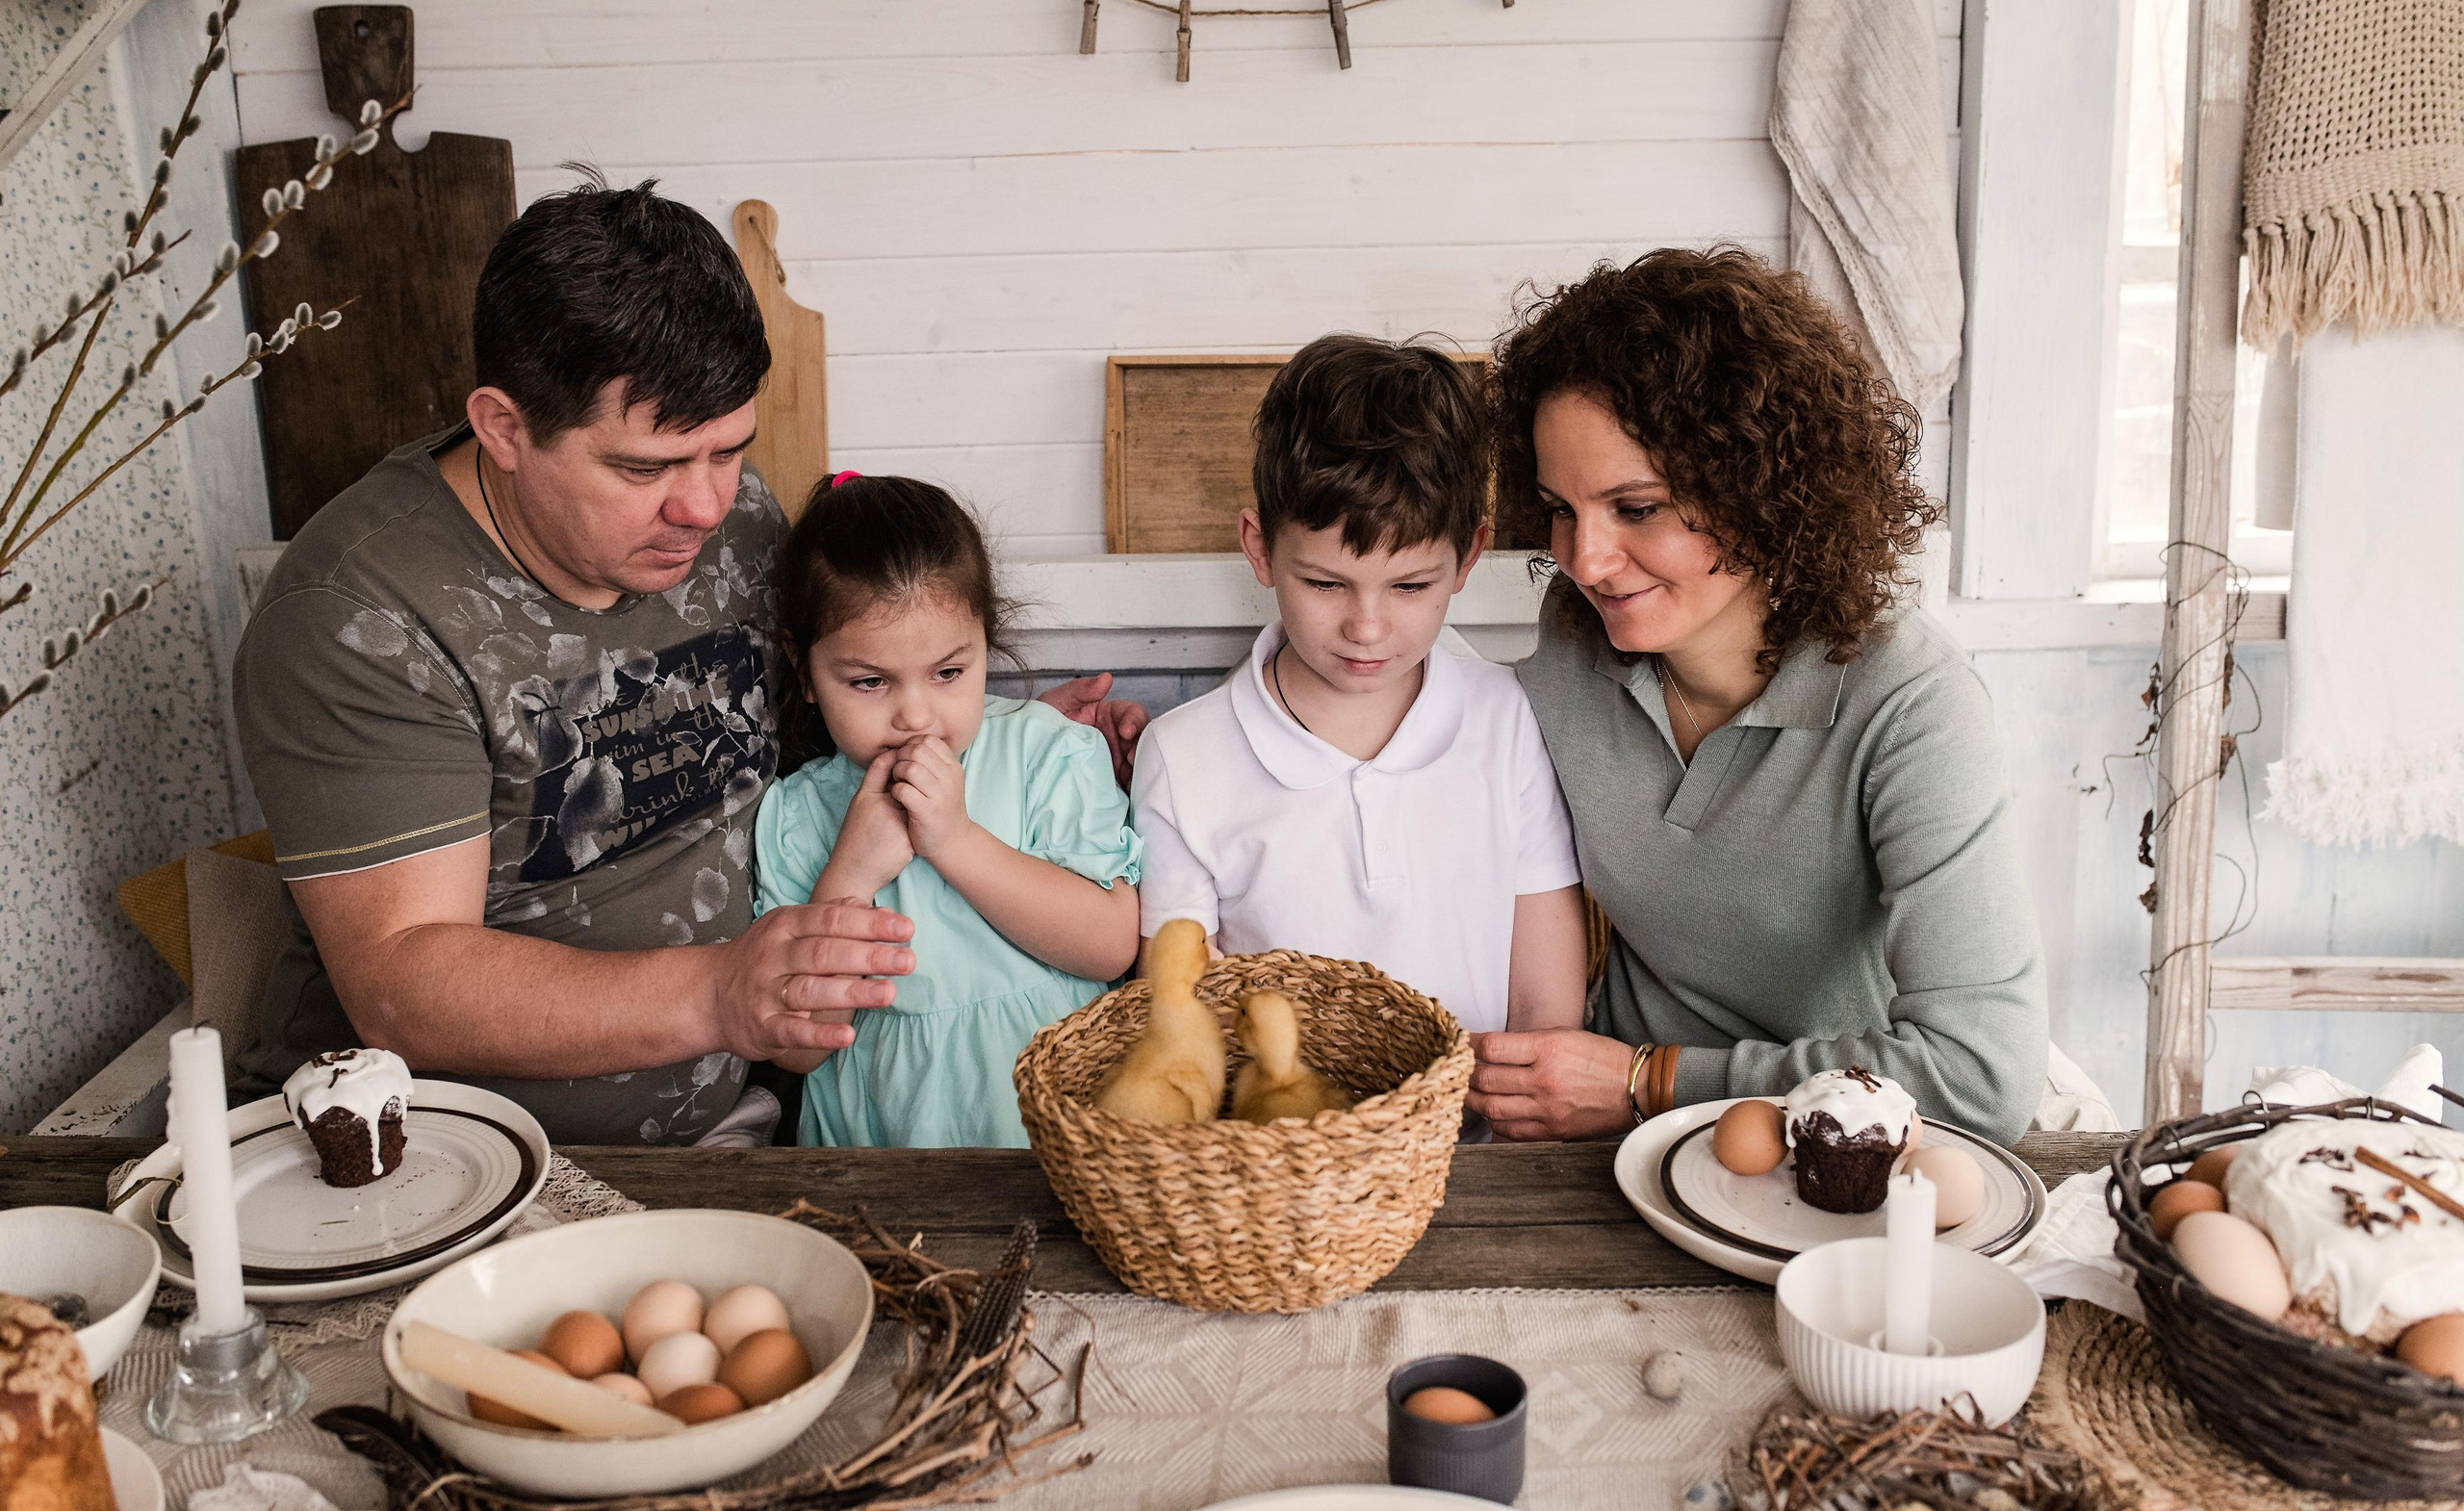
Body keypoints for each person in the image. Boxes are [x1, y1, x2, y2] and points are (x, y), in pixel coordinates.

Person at [231, 174, 1143, 1145]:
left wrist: (992, 733)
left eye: (727, 451)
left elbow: (829, 726)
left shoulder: (741, 526)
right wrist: (721, 993)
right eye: (644, 467)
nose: (704, 507)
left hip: (747, 1117)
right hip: (454, 1155)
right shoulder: (363, 616)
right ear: (503, 428)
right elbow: (405, 985)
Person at [1467, 247, 2048, 1145]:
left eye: (1638, 508)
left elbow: (1982, 1078)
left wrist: (1648, 1079)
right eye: (1561, 508)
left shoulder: (1911, 704)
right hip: (1608, 1149)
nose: (1585, 562)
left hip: (1834, 1153)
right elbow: (1431, 732)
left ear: (1764, 489)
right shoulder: (1577, 637)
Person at [1129, 335, 1588, 1037]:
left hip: (1483, 1140)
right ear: (1260, 548)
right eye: (1324, 583)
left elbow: (1545, 1009)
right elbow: (1180, 1017)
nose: (1366, 628)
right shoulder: (1182, 755)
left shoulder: (1509, 718)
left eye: (1410, 585)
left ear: (1467, 556)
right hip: (1287, 1140)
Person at [751, 475, 1142, 1147]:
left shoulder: (1047, 752)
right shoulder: (796, 811)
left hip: (1056, 1146)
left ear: (985, 643)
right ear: (805, 668)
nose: (916, 713)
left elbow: (1110, 947)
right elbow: (794, 1048)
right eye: (870, 681)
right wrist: (850, 873)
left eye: (948, 672)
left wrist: (957, 840)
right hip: (876, 1159)